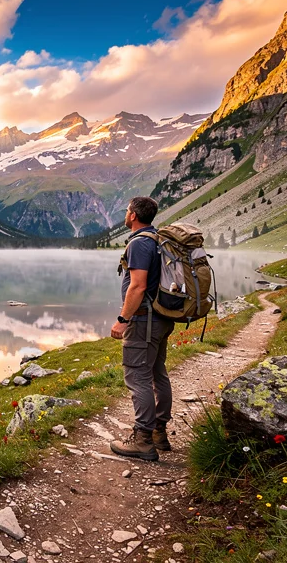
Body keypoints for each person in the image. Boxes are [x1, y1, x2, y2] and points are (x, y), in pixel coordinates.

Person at [109, 197, 174, 462]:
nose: (125, 215)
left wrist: (122, 320)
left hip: (144, 321)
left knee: (138, 376)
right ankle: (160, 432)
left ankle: (143, 440)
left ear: (133, 215)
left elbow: (137, 286)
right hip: (161, 318)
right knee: (158, 373)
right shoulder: (157, 239)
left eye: (126, 211)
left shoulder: (139, 242)